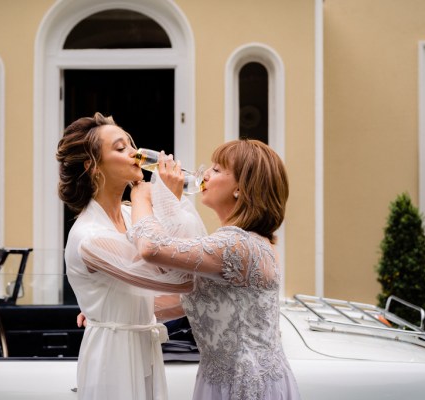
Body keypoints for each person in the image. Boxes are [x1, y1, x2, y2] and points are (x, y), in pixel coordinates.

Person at [128, 139, 302, 400]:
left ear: (241, 189)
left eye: (218, 170)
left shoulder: (237, 244)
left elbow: (151, 248)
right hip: (222, 381)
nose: (205, 174)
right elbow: (191, 302)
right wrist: (116, 308)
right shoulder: (245, 241)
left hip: (244, 386)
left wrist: (142, 196)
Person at [56, 112, 206, 400]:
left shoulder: (131, 215)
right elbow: (177, 279)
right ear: (92, 167)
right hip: (113, 357)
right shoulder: (90, 237)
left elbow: (184, 280)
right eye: (121, 148)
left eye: (131, 144)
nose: (136, 154)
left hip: (143, 348)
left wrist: (113, 307)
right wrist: (153, 199)